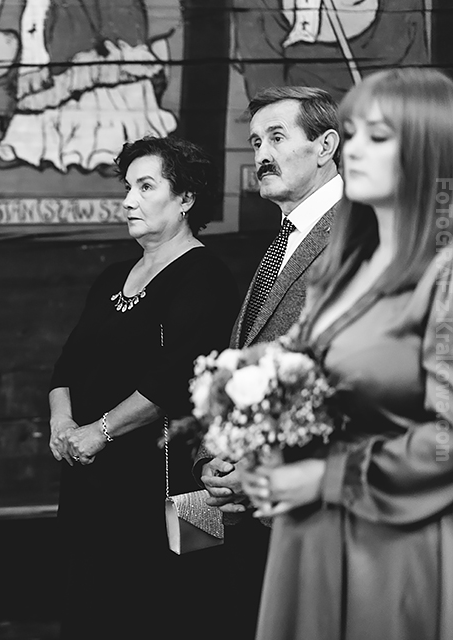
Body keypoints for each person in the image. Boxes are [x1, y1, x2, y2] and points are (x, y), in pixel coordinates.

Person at [240, 67, 453, 640]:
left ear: (429, 149)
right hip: (310, 534)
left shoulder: (445, 273)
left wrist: (327, 476)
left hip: (391, 538)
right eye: (353, 133)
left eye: (378, 137)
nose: (354, 149)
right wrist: (254, 442)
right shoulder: (347, 271)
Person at [48, 135, 239, 639]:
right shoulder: (113, 275)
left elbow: (175, 378)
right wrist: (62, 422)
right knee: (91, 608)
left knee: (161, 612)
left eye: (146, 186)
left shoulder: (206, 277)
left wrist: (99, 432)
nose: (128, 200)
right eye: (128, 187)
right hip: (91, 476)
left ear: (186, 198)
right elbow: (68, 363)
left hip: (165, 480)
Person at [195, 85, 343, 638]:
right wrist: (216, 455)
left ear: (326, 145)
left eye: (278, 137)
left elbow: (348, 379)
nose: (262, 153)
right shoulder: (285, 238)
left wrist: (265, 469)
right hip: (259, 512)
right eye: (256, 141)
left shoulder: (357, 233)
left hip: (320, 510)